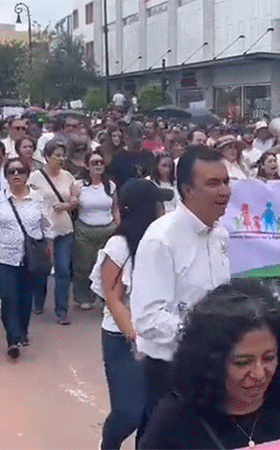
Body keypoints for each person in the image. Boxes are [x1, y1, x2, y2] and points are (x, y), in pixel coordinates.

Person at [139, 279, 280, 449]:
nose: (259, 374)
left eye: (269, 358)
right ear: (211, 363)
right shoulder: (174, 420)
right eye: (243, 363)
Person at [130, 146, 232, 440]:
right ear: (187, 189)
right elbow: (148, 319)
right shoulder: (160, 239)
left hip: (213, 366)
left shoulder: (220, 234)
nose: (224, 190)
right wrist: (203, 333)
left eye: (226, 181)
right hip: (170, 371)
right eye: (213, 183)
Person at [90, 179, 173, 450]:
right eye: (156, 203)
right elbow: (113, 298)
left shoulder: (160, 242)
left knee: (153, 413)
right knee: (129, 412)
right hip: (122, 340)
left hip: (158, 338)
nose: (162, 209)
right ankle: (109, 443)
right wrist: (135, 336)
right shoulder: (118, 246)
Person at [0, 158, 54, 359]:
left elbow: (48, 229)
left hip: (30, 258)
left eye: (20, 171)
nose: (16, 175)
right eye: (11, 172)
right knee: (8, 297)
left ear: (27, 174)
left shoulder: (38, 199)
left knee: (25, 298)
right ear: (6, 176)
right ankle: (13, 339)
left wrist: (50, 255)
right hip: (3, 257)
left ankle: (22, 330)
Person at [27, 139, 78, 324]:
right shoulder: (35, 177)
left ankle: (62, 310)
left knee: (63, 269)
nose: (61, 159)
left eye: (63, 155)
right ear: (47, 156)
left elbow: (75, 199)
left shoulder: (68, 176)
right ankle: (38, 301)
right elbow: (29, 200)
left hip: (64, 228)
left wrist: (66, 204)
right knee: (42, 269)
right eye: (57, 155)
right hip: (43, 230)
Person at [72, 151, 119, 310]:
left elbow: (115, 208)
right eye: (94, 163)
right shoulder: (78, 185)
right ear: (87, 166)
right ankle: (83, 297)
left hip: (107, 229)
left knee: (106, 266)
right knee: (84, 266)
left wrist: (119, 226)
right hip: (85, 230)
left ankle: (106, 297)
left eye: (100, 162)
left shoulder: (110, 185)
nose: (98, 165)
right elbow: (73, 204)